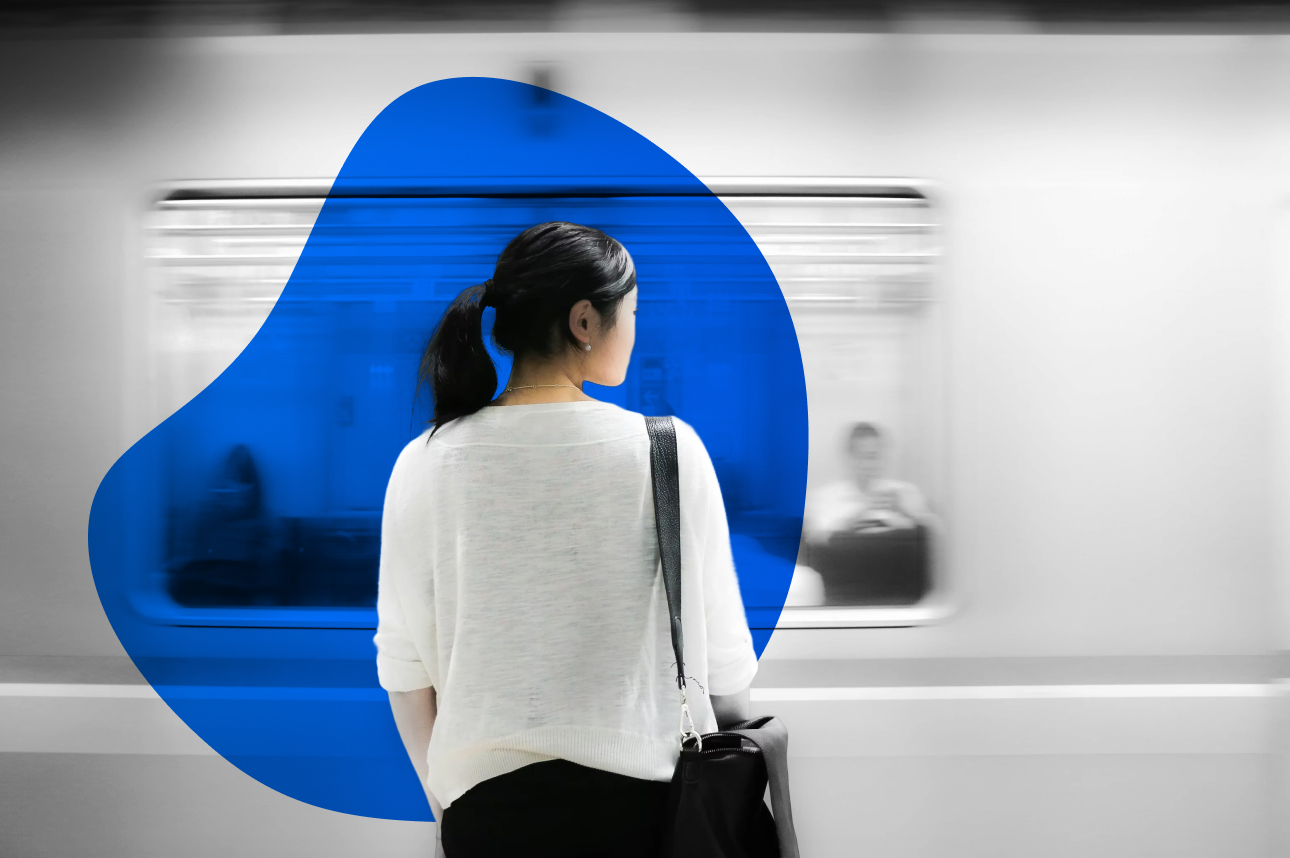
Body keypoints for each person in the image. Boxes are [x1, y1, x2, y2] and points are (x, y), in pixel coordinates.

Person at [374, 222, 759, 857]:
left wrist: (450, 810)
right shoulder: (669, 451)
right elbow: (723, 665)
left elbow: (404, 670)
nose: (634, 329)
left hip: (486, 819)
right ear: (584, 321)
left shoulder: (423, 461)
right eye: (631, 313)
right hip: (647, 816)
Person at [801, 422, 934, 546]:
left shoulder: (904, 493)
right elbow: (814, 542)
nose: (871, 464)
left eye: (876, 456)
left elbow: (935, 538)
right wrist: (855, 520)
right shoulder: (826, 498)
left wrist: (903, 511)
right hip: (843, 561)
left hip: (897, 560)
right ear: (849, 457)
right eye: (864, 457)